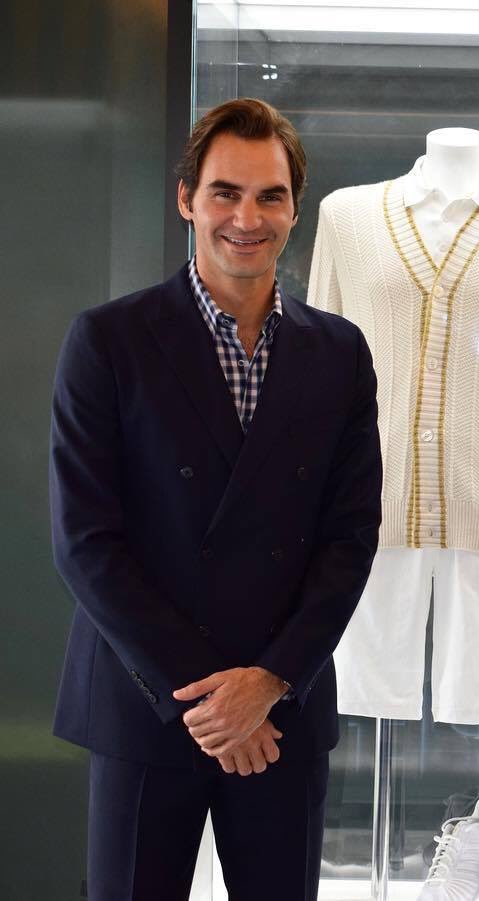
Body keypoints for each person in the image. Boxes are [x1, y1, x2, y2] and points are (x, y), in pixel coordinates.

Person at [50, 97, 382, 900]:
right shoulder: (110, 341)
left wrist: (267, 682)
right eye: (226, 193)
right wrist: (211, 698)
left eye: (271, 196)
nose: (247, 218)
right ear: (186, 199)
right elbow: (86, 541)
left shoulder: (339, 352)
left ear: (295, 208)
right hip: (147, 703)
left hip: (280, 715)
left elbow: (349, 538)